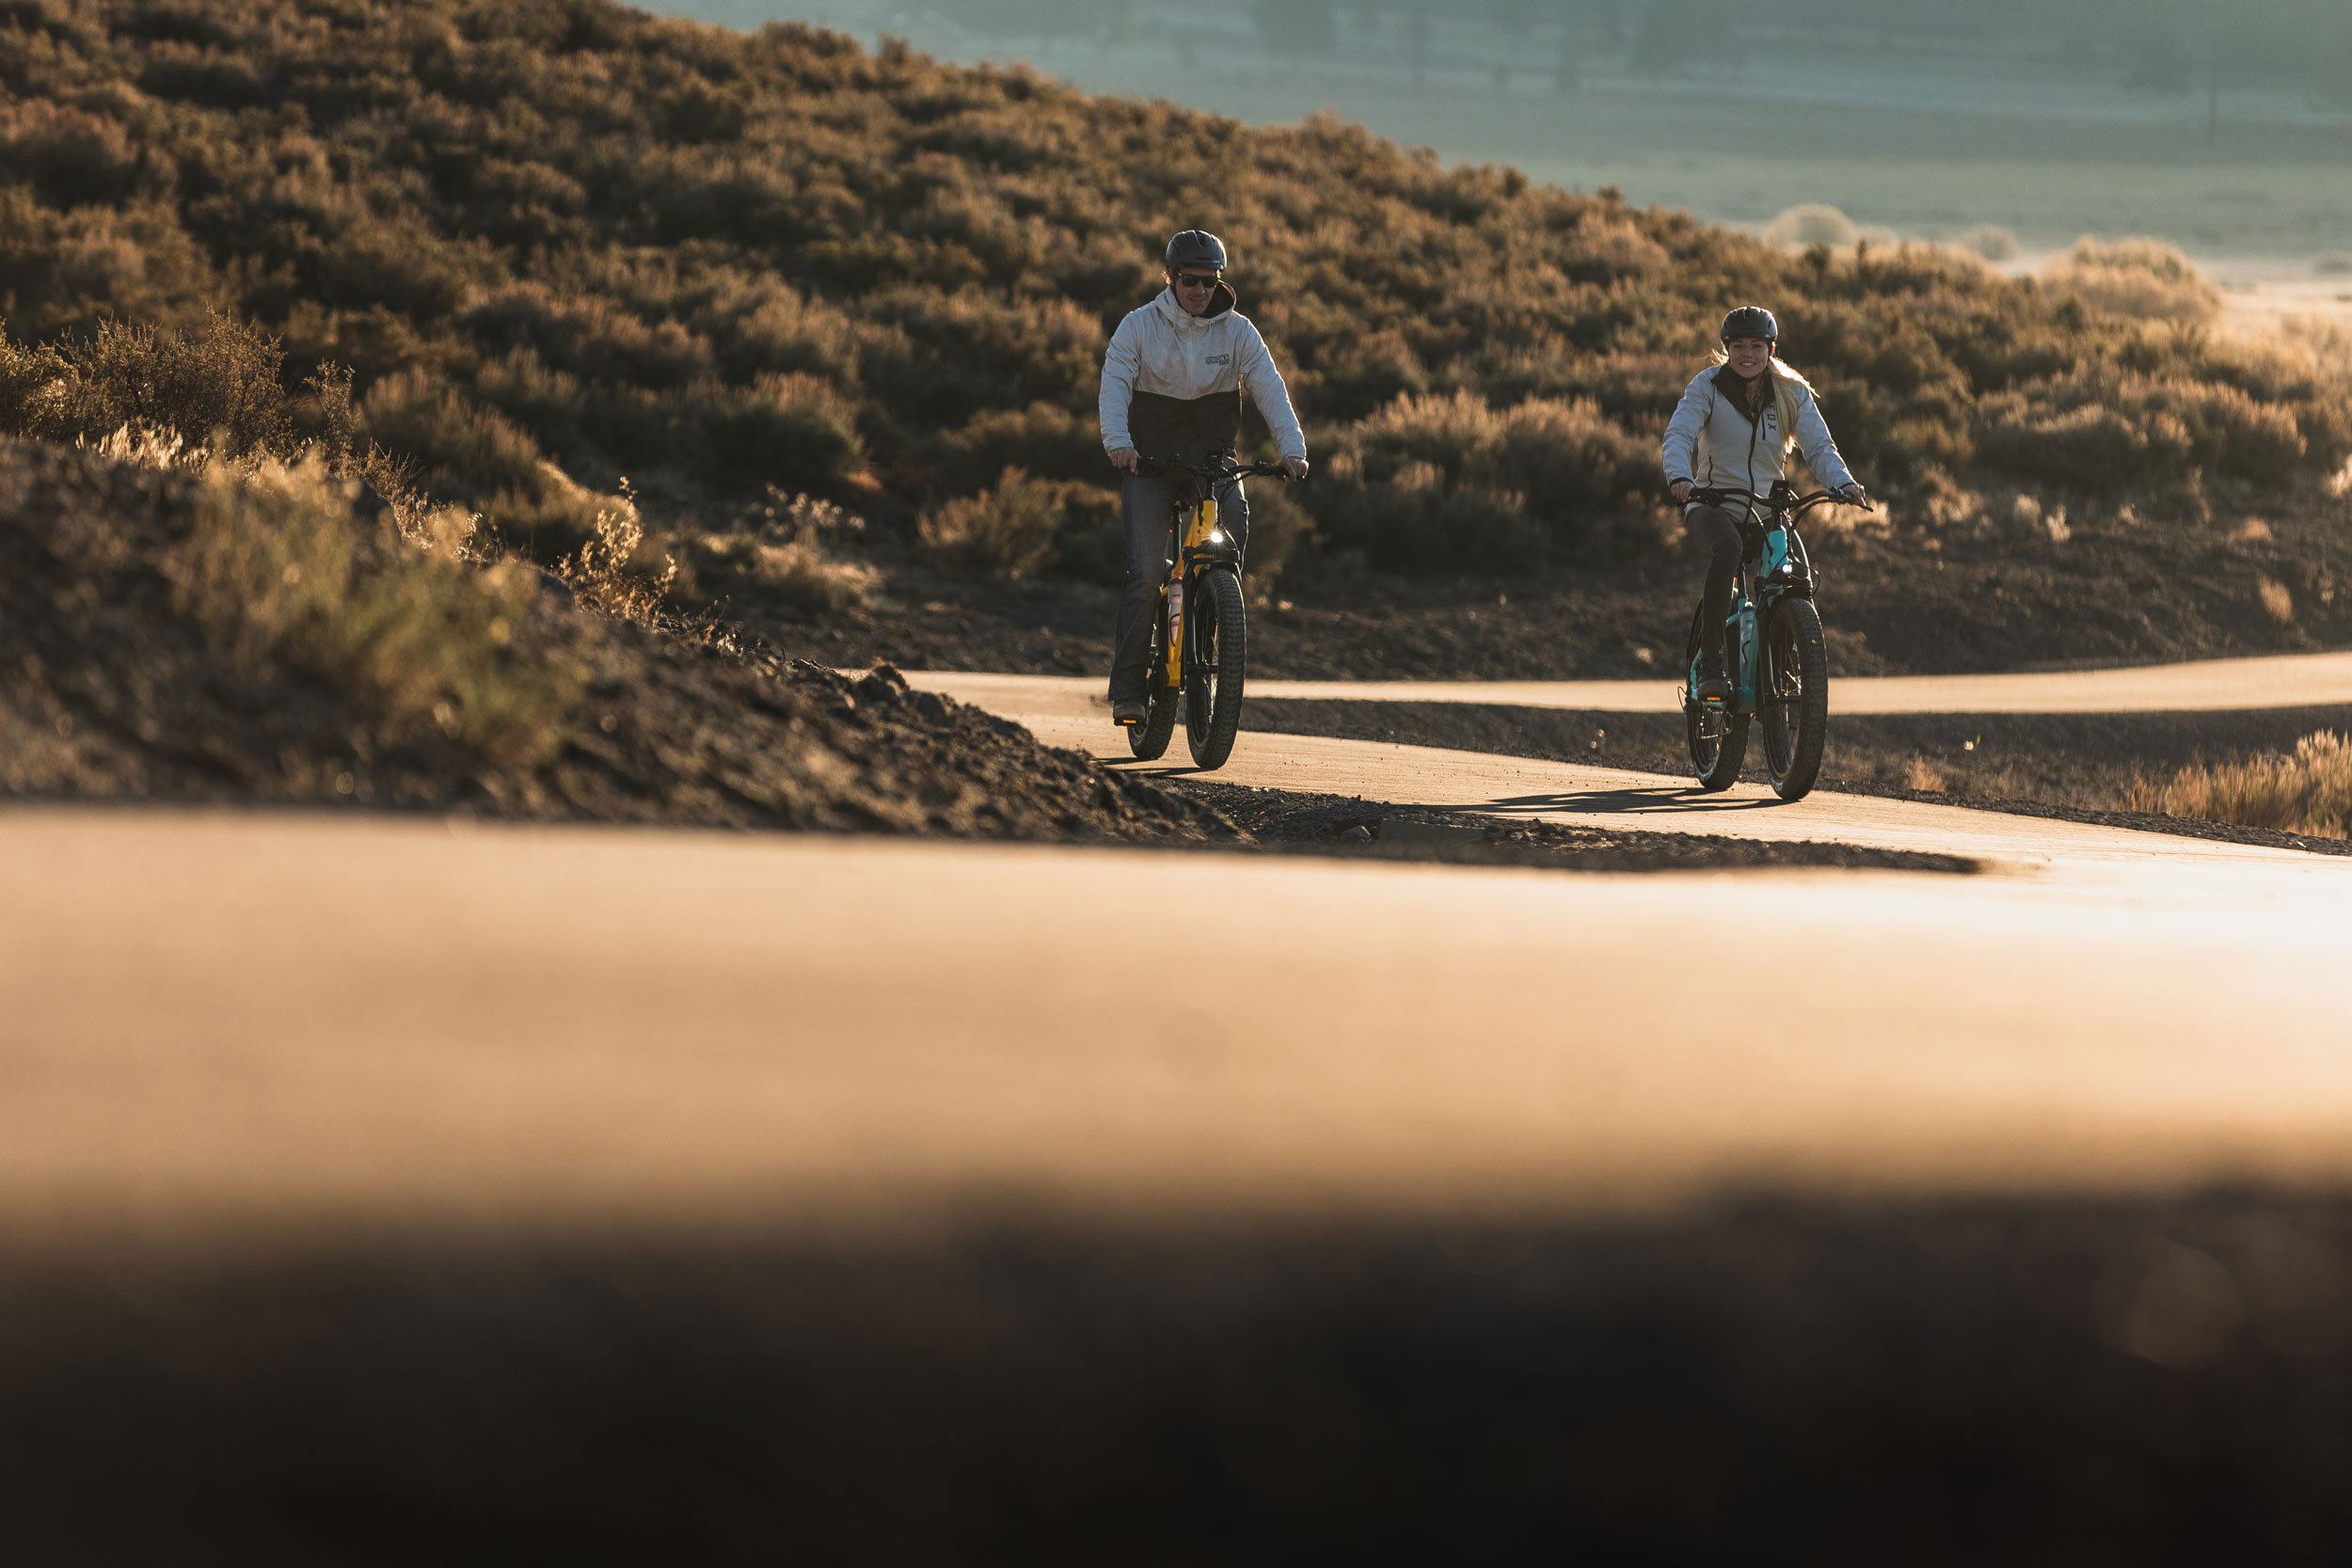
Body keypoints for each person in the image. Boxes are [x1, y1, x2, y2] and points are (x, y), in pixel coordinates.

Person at [1098, 230, 1310, 726]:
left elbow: (1269, 389)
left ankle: (1215, 620)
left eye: (1209, 281)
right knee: (1148, 572)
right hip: (1149, 465)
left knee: (1228, 539)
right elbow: (1114, 382)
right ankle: (1129, 688)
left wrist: (1292, 451)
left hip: (1213, 465)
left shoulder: (1238, 332)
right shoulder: (1139, 327)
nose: (1199, 290)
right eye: (1189, 280)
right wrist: (1118, 444)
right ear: (1169, 277)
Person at [1662, 306, 1869, 704]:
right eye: (1738, 346)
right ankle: (1711, 664)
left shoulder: (1792, 392)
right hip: (1711, 503)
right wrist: (1680, 479)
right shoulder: (1706, 387)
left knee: (1795, 573)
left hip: (1767, 508)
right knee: (1730, 549)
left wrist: (1843, 483)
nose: (1747, 355)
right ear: (1726, 348)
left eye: (1756, 346)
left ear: (1771, 349)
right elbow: (1679, 434)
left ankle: (1787, 649)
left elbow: (1819, 446)